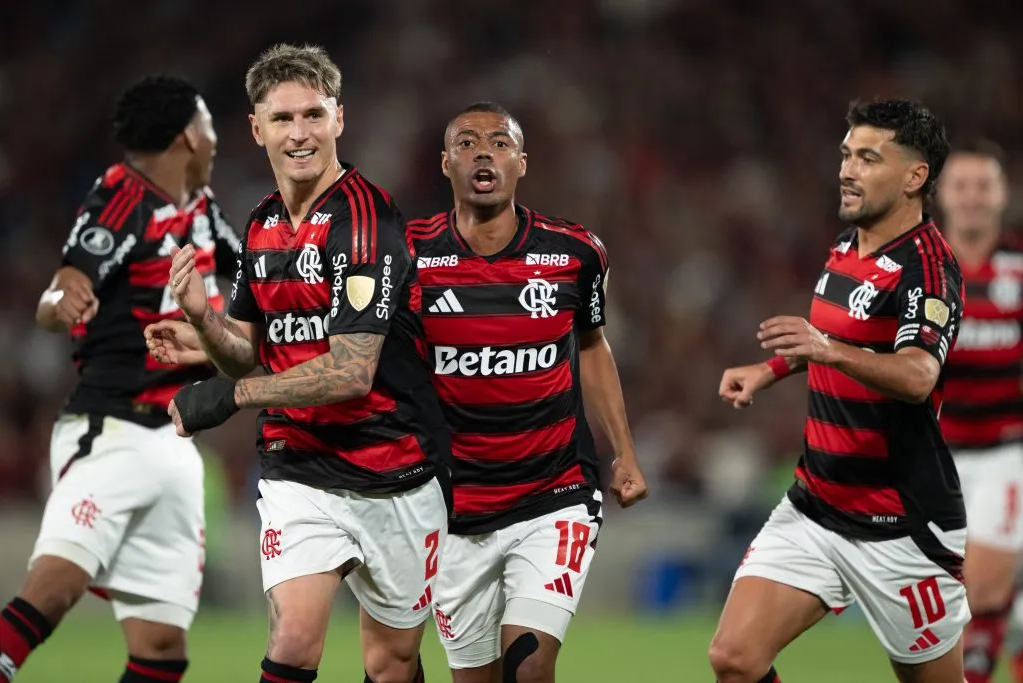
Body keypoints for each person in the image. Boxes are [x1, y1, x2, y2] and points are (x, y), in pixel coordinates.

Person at [144, 43, 449, 683]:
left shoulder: (366, 220)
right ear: (256, 130)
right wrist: (204, 319)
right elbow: (248, 353)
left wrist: (230, 397)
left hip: (392, 465)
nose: (300, 133)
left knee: (390, 663)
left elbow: (351, 371)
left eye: (313, 115)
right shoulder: (259, 224)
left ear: (339, 119)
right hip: (298, 466)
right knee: (292, 642)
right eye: (282, 119)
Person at [711, 99, 967, 683]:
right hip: (816, 505)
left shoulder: (928, 268)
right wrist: (770, 370)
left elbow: (916, 374)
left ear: (914, 177)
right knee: (735, 659)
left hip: (902, 525)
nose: (847, 170)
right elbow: (836, 337)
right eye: (847, 155)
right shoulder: (848, 246)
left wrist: (825, 350)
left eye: (868, 158)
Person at [0, 76, 238, 683]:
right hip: (111, 429)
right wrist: (63, 301)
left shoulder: (205, 212)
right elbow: (65, 282)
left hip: (175, 442)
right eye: (209, 123)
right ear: (189, 132)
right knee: (53, 588)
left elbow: (265, 278)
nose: (215, 138)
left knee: (161, 648)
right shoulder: (122, 195)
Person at [406, 101, 648, 683]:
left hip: (552, 493)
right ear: (445, 164)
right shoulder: (407, 254)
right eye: (466, 143)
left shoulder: (575, 253)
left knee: (530, 667)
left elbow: (591, 346)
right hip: (451, 508)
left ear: (521, 163)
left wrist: (626, 453)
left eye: (499, 142)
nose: (482, 152)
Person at [934, 139, 1022, 683]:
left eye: (982, 186)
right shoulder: (920, 272)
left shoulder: (1018, 272)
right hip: (934, 459)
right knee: (947, 607)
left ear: (1002, 195)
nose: (971, 197)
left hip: (1005, 452)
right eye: (961, 186)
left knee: (983, 585)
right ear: (940, 194)